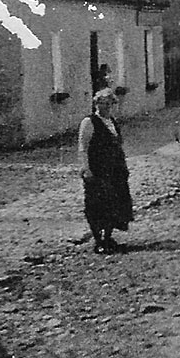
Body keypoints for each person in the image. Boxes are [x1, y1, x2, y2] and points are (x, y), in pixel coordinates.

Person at [77, 88, 134, 253]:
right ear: (96, 104)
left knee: (114, 203)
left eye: (110, 104)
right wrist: (86, 169)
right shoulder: (89, 122)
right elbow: (83, 148)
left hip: (114, 170)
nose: (106, 107)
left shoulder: (112, 121)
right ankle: (98, 241)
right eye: (103, 103)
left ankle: (108, 238)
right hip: (97, 170)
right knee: (96, 204)